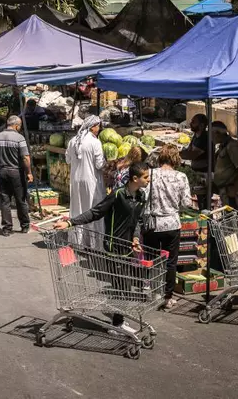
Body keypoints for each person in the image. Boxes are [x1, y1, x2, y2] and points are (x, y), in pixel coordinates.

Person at [55, 161, 151, 332]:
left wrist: (136, 238)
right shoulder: (118, 195)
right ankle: (116, 323)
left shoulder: (141, 197)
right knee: (121, 287)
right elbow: (96, 212)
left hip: (128, 249)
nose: (148, 180)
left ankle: (117, 316)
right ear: (135, 178)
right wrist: (70, 222)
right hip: (113, 249)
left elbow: (138, 221)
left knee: (123, 286)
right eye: (146, 177)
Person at [142, 145, 191, 311]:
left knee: (153, 259)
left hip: (152, 224)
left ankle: (152, 292)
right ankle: (167, 297)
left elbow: (143, 196)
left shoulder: (150, 174)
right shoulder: (181, 177)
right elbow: (186, 203)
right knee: (171, 262)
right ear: (175, 159)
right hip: (171, 224)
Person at [65, 115, 106, 250]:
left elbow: (68, 160)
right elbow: (99, 164)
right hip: (91, 181)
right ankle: (94, 244)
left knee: (78, 209)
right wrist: (108, 162)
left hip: (76, 180)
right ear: (93, 127)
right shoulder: (95, 142)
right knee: (93, 210)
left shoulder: (73, 141)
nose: (99, 129)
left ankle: (78, 242)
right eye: (98, 126)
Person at [0, 115, 33, 236]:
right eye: (19, 126)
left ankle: (6, 228)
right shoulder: (19, 138)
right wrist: (29, 172)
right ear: (16, 125)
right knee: (21, 200)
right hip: (16, 172)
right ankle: (24, 225)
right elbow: (25, 157)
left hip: (2, 171)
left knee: (5, 200)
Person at [212, 121, 238, 211]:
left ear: (218, 133)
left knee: (234, 218)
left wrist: (234, 188)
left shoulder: (232, 146)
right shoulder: (223, 147)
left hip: (232, 191)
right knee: (229, 218)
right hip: (226, 190)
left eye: (211, 134)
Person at [180, 114, 210, 208]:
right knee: (199, 199)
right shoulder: (196, 136)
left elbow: (193, 154)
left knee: (205, 201)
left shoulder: (204, 138)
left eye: (193, 122)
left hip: (204, 174)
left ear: (201, 125)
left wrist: (176, 155)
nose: (190, 123)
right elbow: (189, 150)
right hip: (196, 172)